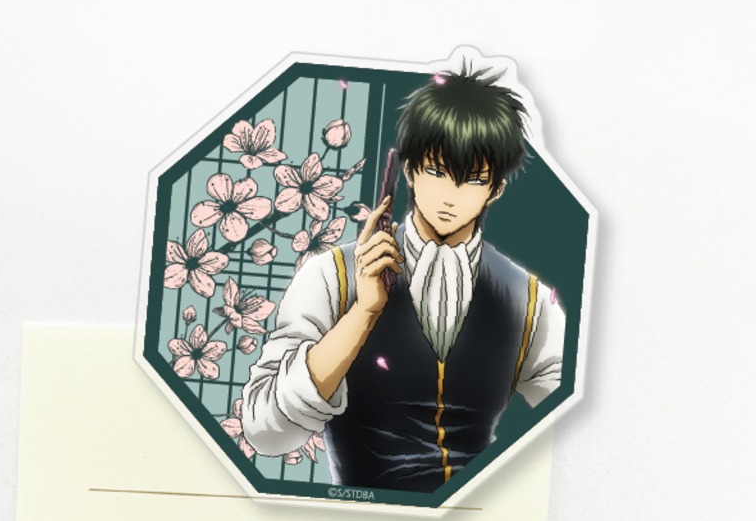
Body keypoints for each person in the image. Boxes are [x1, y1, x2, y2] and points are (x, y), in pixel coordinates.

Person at [240, 64, 564, 492]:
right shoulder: (332, 276)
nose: (450, 196)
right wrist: (363, 311)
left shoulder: (528, 298)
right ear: (408, 170)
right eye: (437, 171)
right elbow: (265, 431)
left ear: (496, 189)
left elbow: (577, 425)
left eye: (473, 180)